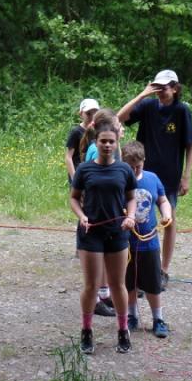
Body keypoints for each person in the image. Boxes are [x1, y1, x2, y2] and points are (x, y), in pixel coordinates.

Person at [117, 70, 192, 289]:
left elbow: (190, 145)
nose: (161, 91)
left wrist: (186, 176)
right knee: (137, 217)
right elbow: (118, 118)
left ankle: (163, 270)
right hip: (141, 173)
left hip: (169, 175)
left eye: (165, 87)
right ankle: (134, 267)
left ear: (175, 88)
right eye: (157, 87)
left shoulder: (182, 111)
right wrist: (142, 95)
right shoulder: (147, 106)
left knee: (168, 219)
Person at [70, 120, 137, 355]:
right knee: (91, 285)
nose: (107, 145)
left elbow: (131, 197)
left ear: (117, 143)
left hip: (117, 232)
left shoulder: (124, 170)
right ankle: (87, 331)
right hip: (90, 233)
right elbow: (74, 198)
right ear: (96, 142)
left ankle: (122, 330)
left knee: (118, 284)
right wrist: (81, 216)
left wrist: (131, 216)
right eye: (103, 141)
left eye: (111, 141)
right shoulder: (85, 169)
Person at [64, 99, 115, 318]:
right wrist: (77, 180)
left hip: (101, 207)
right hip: (91, 203)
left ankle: (104, 293)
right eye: (89, 113)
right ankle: (96, 298)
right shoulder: (92, 144)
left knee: (103, 252)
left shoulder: (104, 142)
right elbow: (70, 157)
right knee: (93, 249)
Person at [122, 141, 174, 338]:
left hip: (149, 242)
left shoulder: (152, 178)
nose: (135, 170)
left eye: (138, 166)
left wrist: (166, 214)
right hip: (126, 243)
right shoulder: (121, 180)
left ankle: (158, 319)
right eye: (130, 166)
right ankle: (131, 315)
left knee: (153, 283)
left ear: (144, 161)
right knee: (129, 283)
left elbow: (162, 199)